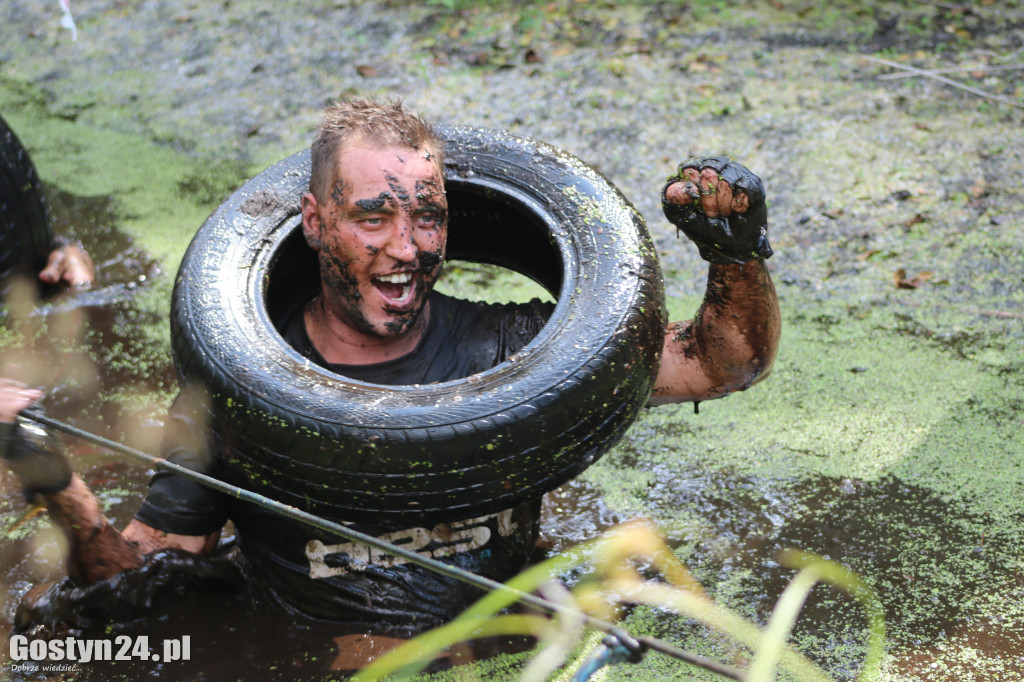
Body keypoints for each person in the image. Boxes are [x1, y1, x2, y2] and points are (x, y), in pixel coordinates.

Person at [1, 98, 779, 631]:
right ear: (314, 221)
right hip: (343, 654)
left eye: (427, 216)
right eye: (373, 216)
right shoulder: (241, 393)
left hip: (508, 633)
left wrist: (733, 251)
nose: (407, 249)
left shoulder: (508, 351)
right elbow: (132, 583)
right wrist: (48, 475)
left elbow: (722, 366)